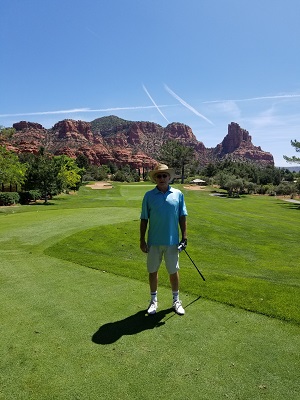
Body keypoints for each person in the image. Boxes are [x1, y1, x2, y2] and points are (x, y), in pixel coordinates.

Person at [140, 163, 188, 316]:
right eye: (159, 176)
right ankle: (153, 301)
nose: (162, 178)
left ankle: (176, 300)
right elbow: (144, 219)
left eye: (164, 175)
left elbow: (182, 216)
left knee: (173, 271)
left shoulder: (178, 194)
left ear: (169, 177)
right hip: (153, 241)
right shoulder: (148, 196)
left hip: (172, 242)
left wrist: (184, 237)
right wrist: (142, 239)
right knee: (153, 271)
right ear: (155, 179)